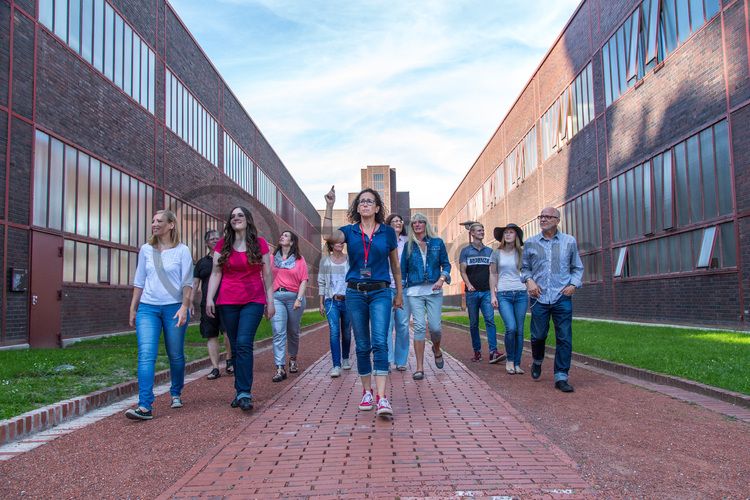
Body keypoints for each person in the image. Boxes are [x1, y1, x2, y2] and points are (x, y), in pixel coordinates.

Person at [322, 186, 403, 417]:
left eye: (369, 201)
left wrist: (399, 293)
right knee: (363, 344)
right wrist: (329, 205)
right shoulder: (349, 231)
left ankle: (382, 397)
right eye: (361, 202)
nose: (365, 204)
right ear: (357, 208)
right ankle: (366, 392)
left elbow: (395, 266)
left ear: (377, 208)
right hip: (355, 293)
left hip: (380, 292)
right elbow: (328, 235)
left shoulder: (388, 232)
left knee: (380, 341)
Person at [125, 210, 193, 420]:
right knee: (146, 354)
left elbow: (188, 283)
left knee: (175, 355)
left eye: (159, 221)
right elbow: (139, 280)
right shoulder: (146, 250)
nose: (154, 224)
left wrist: (184, 307)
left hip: (174, 308)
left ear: (171, 225)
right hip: (148, 308)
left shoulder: (182, 251)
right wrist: (133, 307)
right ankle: (145, 405)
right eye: (153, 221)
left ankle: (176, 392)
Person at [205, 206, 275, 411]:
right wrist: (210, 298)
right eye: (233, 216)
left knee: (244, 343)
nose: (236, 218)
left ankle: (245, 392)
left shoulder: (259, 244)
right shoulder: (222, 245)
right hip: (227, 301)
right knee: (235, 346)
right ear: (230, 222)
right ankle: (239, 391)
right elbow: (216, 273)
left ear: (248, 220)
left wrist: (270, 301)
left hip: (253, 300)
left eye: (240, 215)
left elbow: (267, 274)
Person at [521, 207, 583, 393]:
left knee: (564, 337)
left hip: (562, 296)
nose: (543, 219)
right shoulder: (531, 243)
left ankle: (561, 376)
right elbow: (524, 269)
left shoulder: (569, 241)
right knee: (538, 335)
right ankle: (537, 360)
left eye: (548, 217)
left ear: (557, 220)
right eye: (541, 216)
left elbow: (577, 268)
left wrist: (574, 285)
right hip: (539, 297)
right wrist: (530, 281)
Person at [400, 212, 451, 380]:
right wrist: (400, 292)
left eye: (421, 222)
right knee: (420, 327)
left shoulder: (437, 243)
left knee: (435, 327)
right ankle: (420, 368)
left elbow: (446, 264)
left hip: (434, 291)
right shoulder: (408, 246)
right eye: (414, 222)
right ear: (412, 226)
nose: (417, 225)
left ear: (425, 224)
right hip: (414, 292)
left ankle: (436, 349)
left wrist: (442, 279)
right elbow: (402, 272)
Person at [459, 222, 506, 364]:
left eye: (483, 230)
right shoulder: (465, 251)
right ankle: (477, 352)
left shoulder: (489, 252)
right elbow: (462, 271)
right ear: (472, 233)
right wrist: (468, 284)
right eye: (479, 230)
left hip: (486, 292)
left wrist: (494, 290)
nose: (482, 232)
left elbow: (493, 272)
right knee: (474, 323)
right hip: (472, 294)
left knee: (490, 321)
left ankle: (493, 352)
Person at [191, 230, 233, 380]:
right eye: (212, 239)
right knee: (211, 335)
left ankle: (229, 360)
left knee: (228, 332)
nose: (215, 240)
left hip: (227, 301)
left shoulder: (227, 258)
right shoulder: (201, 263)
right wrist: (190, 301)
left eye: (218, 238)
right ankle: (215, 367)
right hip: (207, 304)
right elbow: (195, 283)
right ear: (206, 243)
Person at [270, 231, 309, 382]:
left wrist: (299, 298)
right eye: (281, 235)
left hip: (294, 298)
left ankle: (293, 358)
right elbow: (266, 278)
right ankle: (280, 367)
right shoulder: (272, 258)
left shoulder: (299, 259)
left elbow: (304, 280)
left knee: (293, 331)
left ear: (292, 242)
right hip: (277, 297)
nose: (282, 237)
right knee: (279, 332)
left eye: (286, 236)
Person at [490, 224, 528, 375]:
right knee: (511, 327)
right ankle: (510, 360)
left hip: (521, 294)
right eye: (505, 232)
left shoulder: (522, 253)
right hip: (503, 294)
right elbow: (493, 274)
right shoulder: (496, 253)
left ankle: (517, 363)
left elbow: (528, 272)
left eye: (511, 232)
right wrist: (493, 294)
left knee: (519, 330)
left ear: (516, 236)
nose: (508, 234)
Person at [318, 240, 352, 377]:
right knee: (334, 332)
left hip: (348, 300)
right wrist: (320, 302)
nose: (341, 243)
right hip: (331, 301)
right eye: (337, 242)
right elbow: (321, 282)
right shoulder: (325, 261)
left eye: (342, 242)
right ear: (331, 245)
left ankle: (345, 358)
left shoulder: (350, 259)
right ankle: (336, 365)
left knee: (347, 332)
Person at [385, 213, 410, 371]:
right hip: (385, 287)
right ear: (388, 225)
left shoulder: (408, 243)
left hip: (404, 287)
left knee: (402, 324)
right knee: (386, 325)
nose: (398, 222)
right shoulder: (383, 241)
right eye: (394, 221)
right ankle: (386, 360)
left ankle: (401, 361)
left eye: (400, 220)